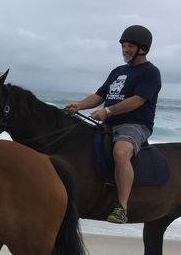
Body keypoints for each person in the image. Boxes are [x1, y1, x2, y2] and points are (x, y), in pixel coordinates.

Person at [64, 24, 161, 224]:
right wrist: (79, 105)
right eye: (124, 46)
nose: (125, 50)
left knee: (120, 153)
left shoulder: (150, 72)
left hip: (135, 124)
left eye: (130, 46)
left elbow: (138, 100)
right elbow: (100, 95)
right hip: (108, 123)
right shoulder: (118, 71)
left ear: (142, 49)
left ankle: (122, 207)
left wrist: (108, 111)